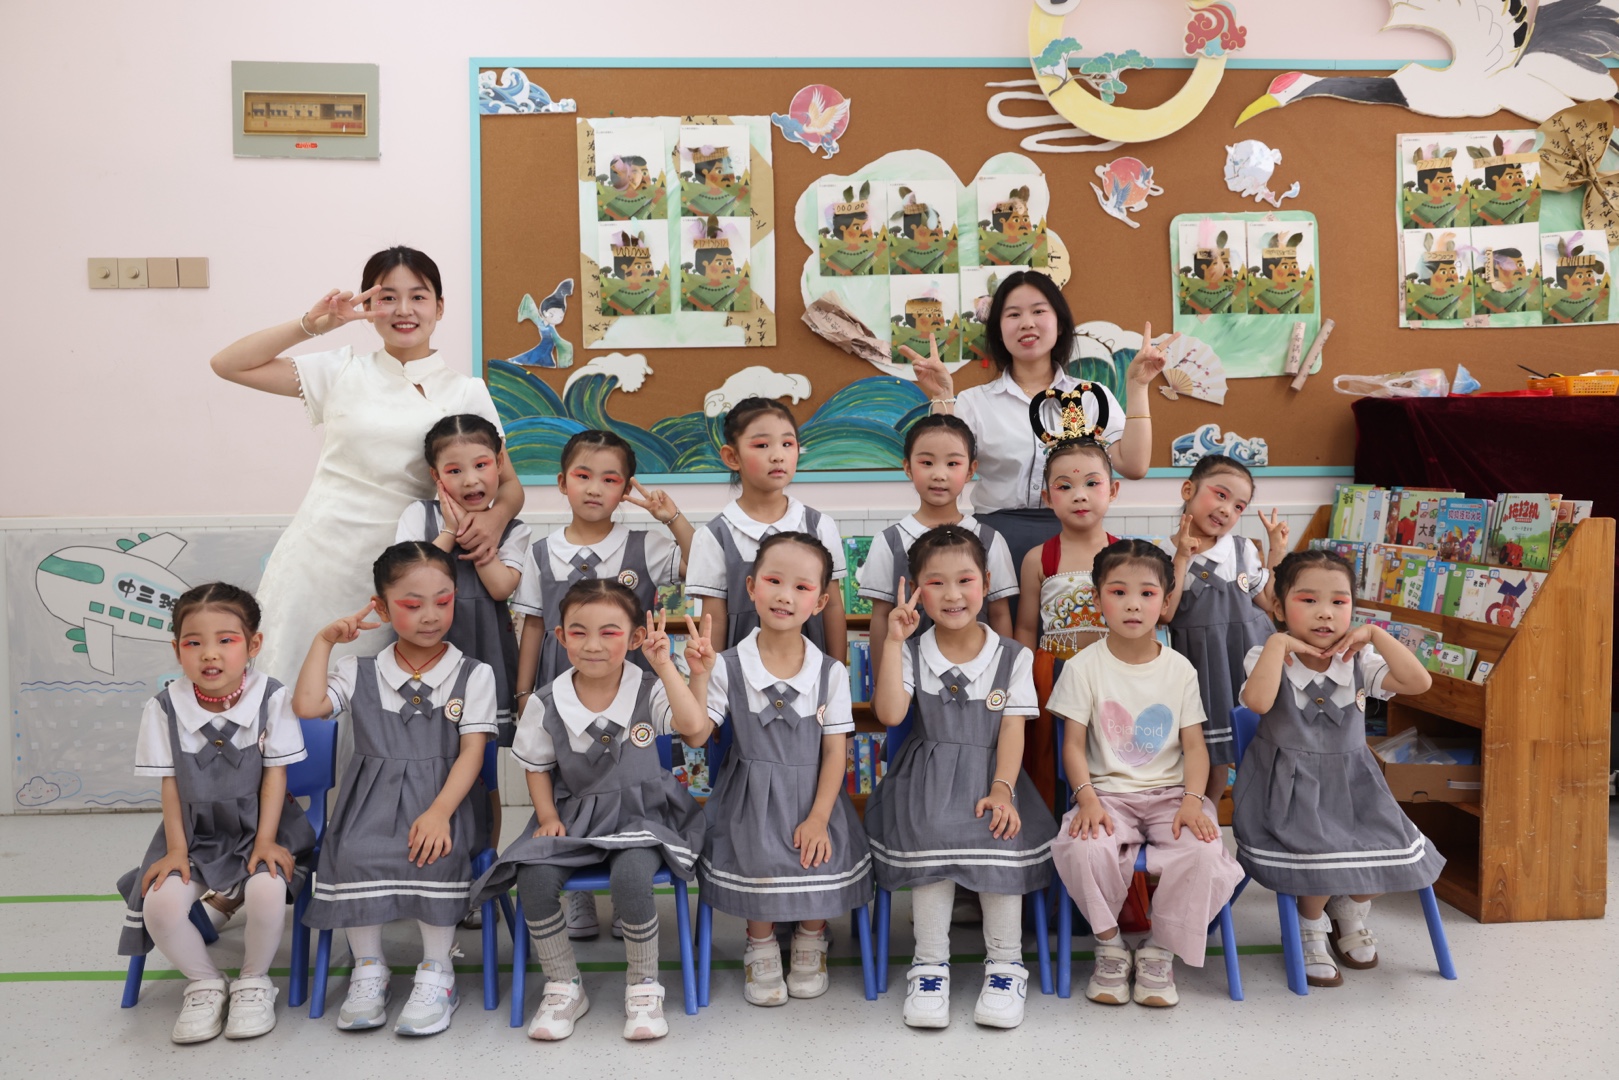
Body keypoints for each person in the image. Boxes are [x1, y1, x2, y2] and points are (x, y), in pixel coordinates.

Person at [210, 246, 520, 685]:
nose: (403, 310)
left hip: (408, 567)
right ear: (368, 308)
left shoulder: (466, 391)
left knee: (383, 699)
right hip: (316, 560)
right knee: (299, 689)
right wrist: (311, 325)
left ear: (440, 307)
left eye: (418, 296)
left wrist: (494, 520)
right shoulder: (341, 371)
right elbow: (227, 364)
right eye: (387, 297)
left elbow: (509, 486)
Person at [470, 582, 712, 1042]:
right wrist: (547, 817)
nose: (593, 645)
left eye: (609, 632)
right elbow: (537, 767)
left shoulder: (648, 687)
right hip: (574, 816)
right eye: (579, 632)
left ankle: (643, 985)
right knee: (534, 878)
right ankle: (564, 984)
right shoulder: (545, 701)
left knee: (632, 876)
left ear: (635, 638)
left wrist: (667, 666)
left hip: (642, 815)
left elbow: (695, 729)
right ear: (561, 637)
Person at [294, 543, 496, 1036]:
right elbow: (307, 707)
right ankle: (369, 969)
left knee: (434, 852)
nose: (431, 615)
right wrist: (324, 641)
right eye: (412, 604)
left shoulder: (475, 674)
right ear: (382, 609)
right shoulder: (358, 670)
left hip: (446, 800)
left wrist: (440, 812)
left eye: (443, 601)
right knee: (352, 853)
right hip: (369, 803)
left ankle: (437, 971)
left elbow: (472, 754)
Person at [864, 526, 1057, 1030]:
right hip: (924, 779)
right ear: (916, 590)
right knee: (930, 829)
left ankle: (1006, 964)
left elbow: (1012, 731)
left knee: (1001, 832)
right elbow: (890, 714)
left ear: (987, 583)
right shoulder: (910, 650)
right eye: (936, 583)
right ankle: (929, 965)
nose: (952, 595)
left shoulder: (1013, 656)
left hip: (995, 776)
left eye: (965, 580)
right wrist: (892, 643)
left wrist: (1002, 790)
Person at [512, 429, 692, 941]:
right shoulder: (540, 552)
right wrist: (524, 692)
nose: (594, 488)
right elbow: (531, 625)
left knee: (629, 774)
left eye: (610, 479)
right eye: (583, 476)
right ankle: (579, 892)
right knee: (567, 779)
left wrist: (672, 518)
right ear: (562, 482)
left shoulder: (646, 545)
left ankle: (629, 877)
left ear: (626, 489)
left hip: (629, 683)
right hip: (562, 677)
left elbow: (703, 565)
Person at [1235, 550, 1445, 988]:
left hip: (1353, 786)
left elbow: (1419, 683)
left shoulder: (1359, 661)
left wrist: (1375, 634)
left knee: (1394, 850)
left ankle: (1348, 908)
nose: (1325, 613)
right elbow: (1257, 703)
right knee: (1317, 849)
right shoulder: (1264, 654)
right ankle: (1309, 925)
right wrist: (1277, 644)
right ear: (1279, 608)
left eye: (1339, 602)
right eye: (1308, 600)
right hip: (1286, 788)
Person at [1047, 541, 1244, 1008]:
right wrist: (1086, 797)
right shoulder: (1081, 667)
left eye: (1147, 593)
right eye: (1118, 592)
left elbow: (1195, 747)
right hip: (1106, 796)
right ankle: (1111, 946)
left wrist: (1194, 801)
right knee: (1081, 847)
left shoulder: (1180, 669)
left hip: (1172, 796)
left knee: (1205, 851)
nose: (1133, 604)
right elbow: (1072, 746)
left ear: (1166, 600)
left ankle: (1159, 950)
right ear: (1097, 599)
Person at [116, 584, 315, 1044]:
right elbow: (171, 786)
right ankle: (205, 982)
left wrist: (266, 841)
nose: (209, 654)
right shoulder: (164, 707)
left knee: (267, 889)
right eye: (194, 642)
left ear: (253, 644)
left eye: (226, 640)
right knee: (161, 905)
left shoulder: (271, 697)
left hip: (264, 825)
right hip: (194, 833)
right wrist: (176, 850)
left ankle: (253, 982)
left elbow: (276, 777)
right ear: (177, 649)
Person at [907, 271, 1167, 602]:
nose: (1027, 323)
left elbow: (1134, 465)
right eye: (1013, 314)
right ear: (998, 331)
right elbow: (941, 466)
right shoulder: (974, 402)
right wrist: (943, 396)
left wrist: (1138, 386)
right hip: (993, 542)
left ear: (1059, 324)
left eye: (1039, 311)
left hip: (1075, 539)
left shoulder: (1087, 397)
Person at [697, 533, 873, 1006]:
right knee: (757, 851)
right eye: (774, 581)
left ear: (820, 602)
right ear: (751, 587)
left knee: (821, 851)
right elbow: (696, 734)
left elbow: (835, 753)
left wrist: (819, 817)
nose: (785, 596)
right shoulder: (725, 666)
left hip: (816, 794)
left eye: (802, 587)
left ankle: (812, 938)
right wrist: (695, 675)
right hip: (749, 797)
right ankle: (760, 944)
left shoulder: (830, 672)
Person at [1160, 455, 1290, 802]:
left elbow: (1269, 601)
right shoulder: (1161, 554)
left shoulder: (1241, 549)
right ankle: (1207, 813)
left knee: (1257, 742)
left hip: (1249, 658)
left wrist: (1276, 550)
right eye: (1220, 495)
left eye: (1238, 506)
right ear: (1188, 490)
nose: (1226, 509)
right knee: (1210, 752)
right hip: (1204, 665)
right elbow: (1166, 614)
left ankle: (1257, 813)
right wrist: (1181, 557)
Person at [686, 397, 848, 659]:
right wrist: (711, 680)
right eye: (762, 445)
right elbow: (714, 618)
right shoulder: (714, 536)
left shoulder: (819, 526)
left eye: (787, 444)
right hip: (739, 676)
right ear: (732, 456)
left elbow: (832, 608)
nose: (778, 456)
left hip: (811, 675)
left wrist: (837, 671)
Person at [858, 415, 1017, 680]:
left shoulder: (989, 539)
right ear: (908, 467)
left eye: (952, 463)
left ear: (970, 470)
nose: (939, 474)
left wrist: (1004, 678)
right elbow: (881, 618)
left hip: (981, 677)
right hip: (910, 680)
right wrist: (881, 683)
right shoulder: (889, 541)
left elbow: (999, 614)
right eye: (927, 462)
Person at [1014, 437, 1120, 806]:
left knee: (1109, 751)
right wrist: (1023, 682)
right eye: (1065, 486)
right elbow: (1026, 628)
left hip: (1113, 674)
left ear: (1113, 491)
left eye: (1092, 483)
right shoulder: (1038, 558)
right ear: (1047, 497)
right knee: (1053, 754)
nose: (1080, 495)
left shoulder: (1127, 555)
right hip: (1053, 673)